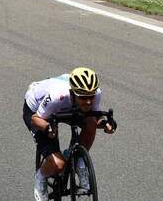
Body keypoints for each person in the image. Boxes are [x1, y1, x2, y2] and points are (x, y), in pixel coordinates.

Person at [24, 68, 115, 201]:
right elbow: (35, 119)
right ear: (72, 93)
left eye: (91, 96)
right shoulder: (56, 96)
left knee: (90, 123)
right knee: (58, 164)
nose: (89, 101)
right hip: (39, 112)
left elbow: (95, 116)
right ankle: (41, 176)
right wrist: (48, 128)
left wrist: (105, 124)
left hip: (68, 106)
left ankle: (77, 160)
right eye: (84, 97)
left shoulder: (95, 93)